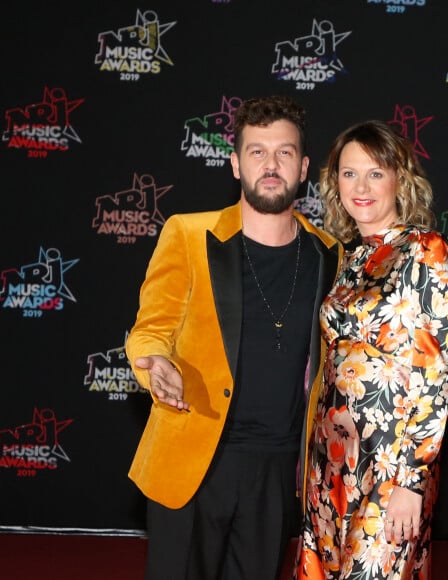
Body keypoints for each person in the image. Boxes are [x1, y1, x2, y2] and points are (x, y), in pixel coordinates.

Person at [125, 95, 342, 580]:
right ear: (235, 163)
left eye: (284, 153)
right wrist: (155, 363)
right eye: (257, 151)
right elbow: (149, 331)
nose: (270, 164)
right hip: (195, 461)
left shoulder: (330, 255)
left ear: (304, 167)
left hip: (277, 468)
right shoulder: (188, 234)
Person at [294, 120, 448, 579]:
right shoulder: (346, 258)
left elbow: (437, 373)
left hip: (392, 466)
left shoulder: (424, 251)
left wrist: (413, 479)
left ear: (399, 179)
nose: (361, 187)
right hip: (330, 462)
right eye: (349, 174)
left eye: (375, 173)